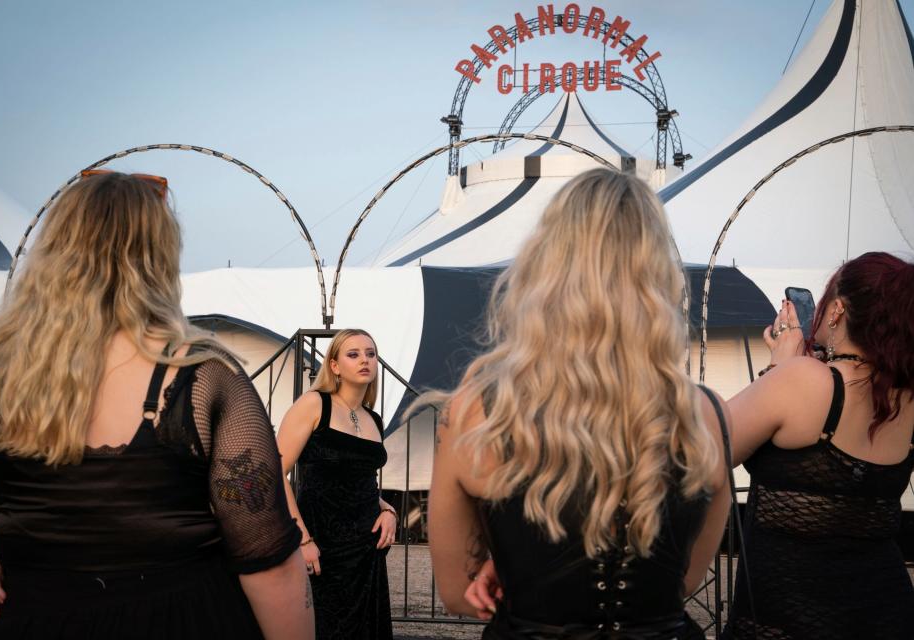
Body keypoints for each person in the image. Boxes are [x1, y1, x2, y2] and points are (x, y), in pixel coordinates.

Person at [0, 171, 314, 639]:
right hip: (188, 620)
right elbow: (267, 559)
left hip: (32, 616)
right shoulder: (203, 377)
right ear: (159, 255)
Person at [424, 168, 732, 639]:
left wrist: (516, 570)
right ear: (657, 272)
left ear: (543, 266)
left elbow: (454, 591)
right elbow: (682, 580)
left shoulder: (477, 411)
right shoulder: (706, 416)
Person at [726, 251, 914, 639]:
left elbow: (707, 446)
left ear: (837, 310)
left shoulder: (802, 379)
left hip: (788, 617)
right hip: (887, 614)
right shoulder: (906, 396)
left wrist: (780, 367)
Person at [276, 328, 397, 639]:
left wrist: (389, 511)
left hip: (366, 550)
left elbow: (359, 484)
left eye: (370, 354)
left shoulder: (374, 419)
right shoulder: (315, 404)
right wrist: (302, 541)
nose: (365, 360)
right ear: (334, 365)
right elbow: (276, 472)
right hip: (320, 545)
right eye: (353, 354)